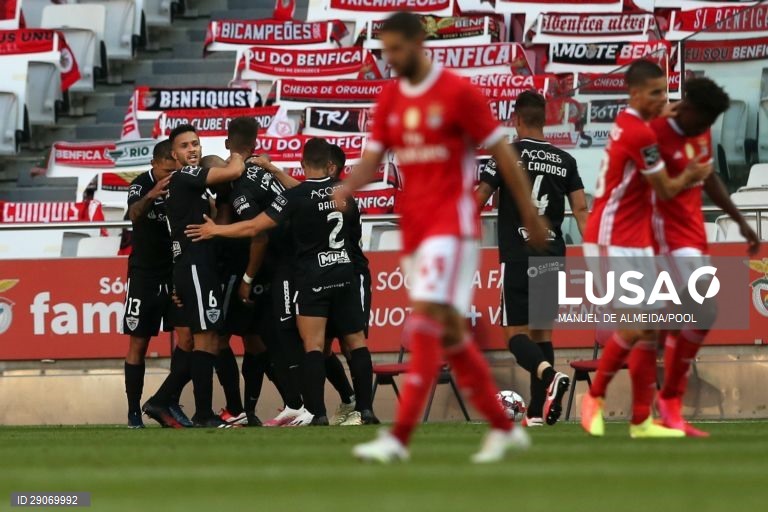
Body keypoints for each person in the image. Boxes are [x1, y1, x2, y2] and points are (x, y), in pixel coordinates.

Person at [333, 12, 549, 464]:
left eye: (396, 49)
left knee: (427, 320)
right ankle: (501, 425)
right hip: (416, 228)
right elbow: (374, 158)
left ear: (418, 42)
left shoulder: (457, 93)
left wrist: (529, 211)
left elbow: (503, 154)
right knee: (450, 333)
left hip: (452, 227)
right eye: (385, 50)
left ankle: (399, 439)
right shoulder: (390, 97)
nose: (389, 59)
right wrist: (348, 186)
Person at [186, 138, 376, 427]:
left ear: (303, 164)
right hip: (345, 273)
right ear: (329, 164)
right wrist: (273, 170)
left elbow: (254, 226)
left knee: (312, 345)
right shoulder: (345, 193)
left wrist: (216, 230)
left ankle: (317, 413)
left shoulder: (295, 198)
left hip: (313, 277)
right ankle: (366, 411)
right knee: (356, 343)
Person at [580, 60, 713, 438]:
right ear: (634, 93)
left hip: (634, 238)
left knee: (651, 328)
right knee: (637, 325)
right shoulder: (640, 136)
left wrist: (664, 112)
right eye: (655, 93)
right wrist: (692, 174)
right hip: (610, 237)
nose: (663, 99)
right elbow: (667, 189)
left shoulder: (629, 124)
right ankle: (594, 395)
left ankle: (641, 420)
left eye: (666, 92)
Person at [649, 77, 760, 437]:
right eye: (705, 120)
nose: (707, 129)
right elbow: (654, 186)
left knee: (684, 314)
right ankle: (665, 399)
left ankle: (663, 400)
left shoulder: (698, 131)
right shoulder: (655, 134)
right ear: (689, 108)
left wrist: (741, 221)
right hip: (663, 234)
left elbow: (708, 176)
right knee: (701, 308)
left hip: (692, 234)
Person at [476, 90, 588, 427]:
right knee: (542, 335)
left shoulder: (507, 154)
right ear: (547, 119)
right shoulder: (565, 160)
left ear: (517, 119)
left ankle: (548, 375)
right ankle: (538, 413)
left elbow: (480, 196)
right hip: (552, 252)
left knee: (515, 336)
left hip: (518, 253)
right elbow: (581, 209)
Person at [164, 124, 246, 428]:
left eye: (196, 144)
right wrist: (238, 153)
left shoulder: (193, 188)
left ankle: (179, 405)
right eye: (185, 146)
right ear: (174, 155)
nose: (193, 150)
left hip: (199, 266)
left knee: (210, 338)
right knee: (204, 339)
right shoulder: (185, 176)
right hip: (195, 266)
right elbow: (233, 172)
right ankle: (202, 412)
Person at [122, 139, 192, 429]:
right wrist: (152, 194)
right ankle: (133, 412)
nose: (168, 176)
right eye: (165, 170)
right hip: (145, 275)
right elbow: (134, 215)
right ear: (154, 164)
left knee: (189, 340)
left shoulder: (182, 183)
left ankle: (167, 399)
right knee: (138, 343)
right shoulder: (140, 185)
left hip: (175, 273)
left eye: (172, 170)